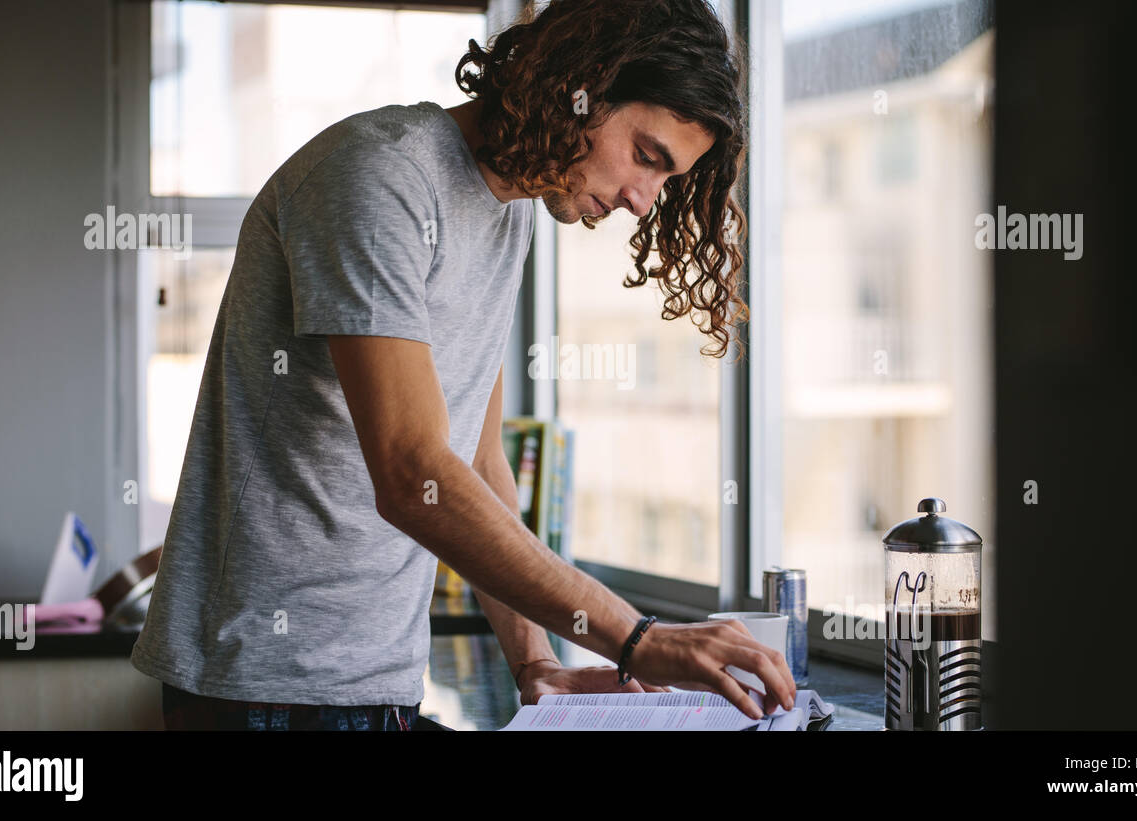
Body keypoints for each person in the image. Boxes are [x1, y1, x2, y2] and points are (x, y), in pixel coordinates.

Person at [131, 0, 792, 731]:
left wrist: (534, 660)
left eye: (667, 180)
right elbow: (415, 472)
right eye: (647, 155)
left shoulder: (509, 217)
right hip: (259, 682)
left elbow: (475, 459)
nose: (643, 200)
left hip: (378, 676)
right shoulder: (380, 175)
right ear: (585, 84)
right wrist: (639, 635)